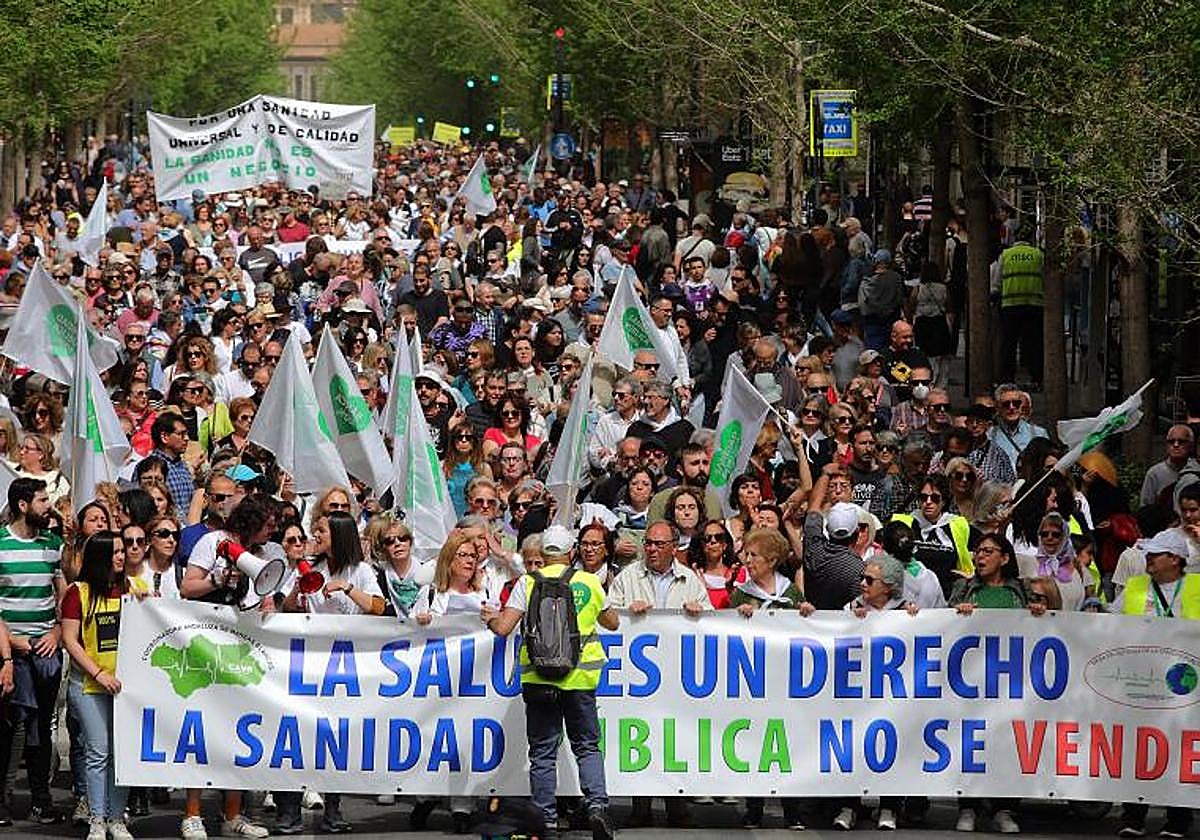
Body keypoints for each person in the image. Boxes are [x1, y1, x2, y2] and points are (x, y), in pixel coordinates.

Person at [482, 525, 618, 840]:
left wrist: (488, 618)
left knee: (543, 751)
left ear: (543, 553)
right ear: (571, 552)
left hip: (538, 678)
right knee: (586, 746)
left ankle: (546, 819)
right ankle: (597, 806)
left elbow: (503, 628)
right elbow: (612, 622)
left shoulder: (527, 583)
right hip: (580, 678)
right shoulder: (588, 581)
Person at [61, 531, 145, 840]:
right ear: (99, 557)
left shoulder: (136, 589)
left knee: (121, 753)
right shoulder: (77, 592)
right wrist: (98, 674)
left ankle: (115, 817)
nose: (122, 556)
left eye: (123, 551)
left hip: (125, 688)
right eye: (115, 552)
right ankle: (97, 817)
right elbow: (70, 639)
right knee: (98, 751)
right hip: (90, 686)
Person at [0, 478, 66, 826]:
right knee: (9, 727)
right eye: (42, 500)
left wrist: (56, 632)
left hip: (45, 651)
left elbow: (64, 599)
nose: (47, 506)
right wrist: (10, 645)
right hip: (7, 651)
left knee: (40, 726)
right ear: (23, 505)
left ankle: (42, 799)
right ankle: (2, 801)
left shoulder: (53, 544)